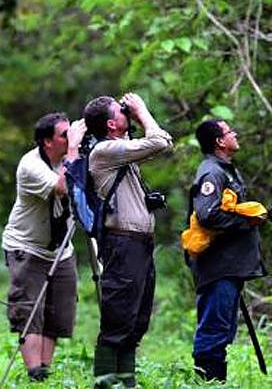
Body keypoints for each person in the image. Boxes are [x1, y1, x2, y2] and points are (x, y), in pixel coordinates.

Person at [83, 93, 173, 388]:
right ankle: (106, 384)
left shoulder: (121, 152)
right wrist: (142, 110)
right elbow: (159, 142)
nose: (128, 113)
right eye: (121, 112)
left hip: (138, 245)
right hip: (123, 245)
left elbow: (164, 141)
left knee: (136, 322)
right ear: (111, 124)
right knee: (117, 322)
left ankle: (126, 383)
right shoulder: (105, 151)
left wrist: (135, 117)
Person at [1, 112, 87, 382]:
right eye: (64, 135)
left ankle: (43, 374)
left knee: (57, 313)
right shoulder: (30, 165)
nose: (69, 138)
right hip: (27, 247)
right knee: (29, 312)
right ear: (47, 142)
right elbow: (62, 187)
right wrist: (74, 148)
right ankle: (33, 374)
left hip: (61, 250)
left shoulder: (73, 157)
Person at [187, 119, 266, 382]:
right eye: (230, 131)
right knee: (213, 331)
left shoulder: (225, 169)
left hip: (229, 267)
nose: (235, 133)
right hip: (217, 267)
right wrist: (247, 222)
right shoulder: (212, 173)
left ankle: (216, 383)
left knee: (222, 331)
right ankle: (207, 384)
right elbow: (208, 215)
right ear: (220, 141)